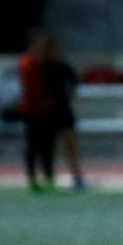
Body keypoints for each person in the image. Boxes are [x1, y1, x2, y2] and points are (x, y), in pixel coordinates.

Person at [43, 37, 85, 190]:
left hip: (64, 110)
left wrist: (68, 96)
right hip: (48, 113)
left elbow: (75, 82)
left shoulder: (62, 67)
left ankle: (77, 176)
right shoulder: (42, 68)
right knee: (51, 147)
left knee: (72, 145)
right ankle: (49, 177)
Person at [18, 30, 57, 193]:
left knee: (48, 145)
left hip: (45, 111)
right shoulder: (27, 63)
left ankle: (48, 178)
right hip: (32, 111)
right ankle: (32, 178)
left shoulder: (46, 63)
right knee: (33, 146)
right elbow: (32, 88)